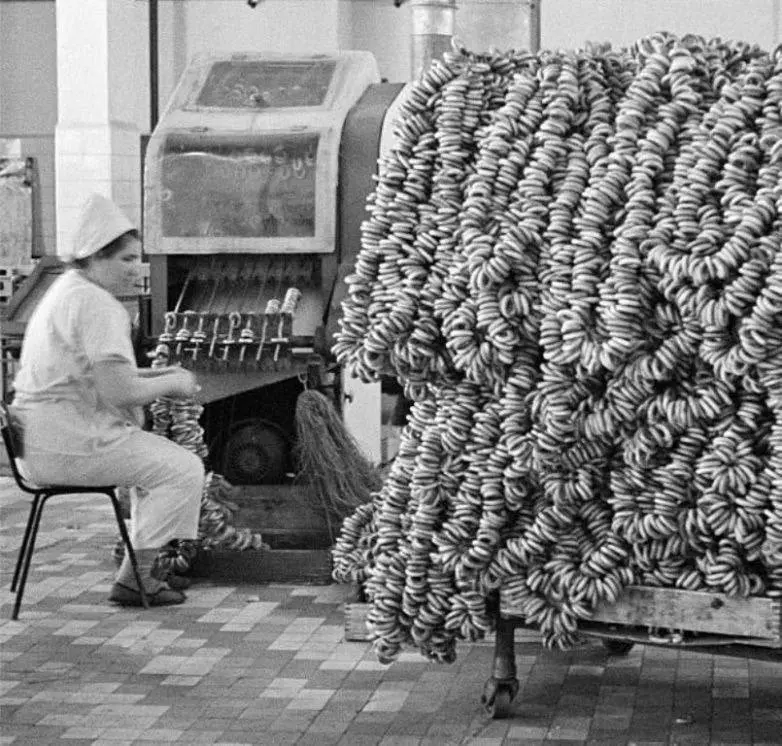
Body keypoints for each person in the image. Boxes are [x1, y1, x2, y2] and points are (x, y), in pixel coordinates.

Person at [10, 193, 204, 608]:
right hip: (67, 442)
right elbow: (120, 391)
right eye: (126, 260)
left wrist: (163, 374)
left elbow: (103, 378)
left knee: (151, 465)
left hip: (42, 437)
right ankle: (136, 578)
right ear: (95, 258)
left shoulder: (68, 289)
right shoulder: (97, 305)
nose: (137, 270)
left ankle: (141, 567)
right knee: (184, 470)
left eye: (139, 259)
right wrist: (175, 384)